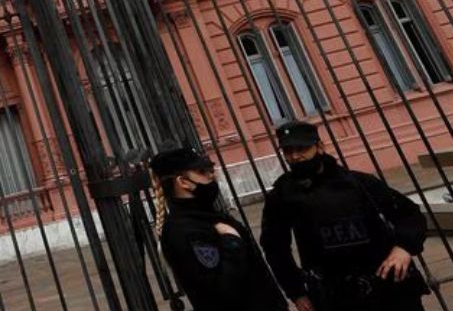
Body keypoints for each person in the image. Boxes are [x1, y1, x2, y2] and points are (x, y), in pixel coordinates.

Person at [260, 121, 429, 311]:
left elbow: (409, 213)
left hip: (388, 287)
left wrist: (404, 248)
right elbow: (275, 249)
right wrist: (297, 293)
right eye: (288, 151)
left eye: (302, 148)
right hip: (335, 296)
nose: (295, 156)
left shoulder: (358, 182)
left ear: (320, 147)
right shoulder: (281, 196)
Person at [150, 147, 287, 311]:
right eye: (202, 172)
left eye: (210, 170)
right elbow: (222, 288)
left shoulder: (207, 215)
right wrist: (232, 242)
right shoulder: (184, 229)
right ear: (183, 182)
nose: (211, 176)